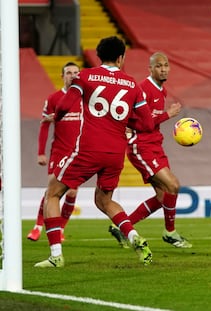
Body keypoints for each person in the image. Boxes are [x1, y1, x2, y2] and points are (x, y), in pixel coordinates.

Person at [34, 36, 155, 268]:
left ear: (99, 56)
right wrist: (126, 123)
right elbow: (147, 125)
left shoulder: (85, 76)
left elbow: (64, 105)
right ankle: (133, 237)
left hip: (88, 150)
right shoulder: (132, 84)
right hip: (115, 153)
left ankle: (56, 255)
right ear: (121, 58)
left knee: (53, 194)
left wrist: (56, 117)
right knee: (104, 200)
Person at [109, 52, 192, 248]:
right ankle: (170, 232)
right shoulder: (143, 89)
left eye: (166, 65)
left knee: (164, 197)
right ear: (150, 69)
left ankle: (121, 227)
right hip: (141, 146)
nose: (163, 69)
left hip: (155, 145)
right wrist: (167, 115)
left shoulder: (161, 91)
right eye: (159, 66)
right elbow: (142, 123)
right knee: (173, 185)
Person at [27, 62, 80, 242]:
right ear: (62, 76)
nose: (72, 75)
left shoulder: (84, 98)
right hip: (59, 151)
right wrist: (41, 152)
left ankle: (61, 228)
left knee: (72, 193)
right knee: (52, 189)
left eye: (75, 73)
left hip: (78, 153)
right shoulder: (54, 98)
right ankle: (37, 226)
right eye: (69, 73)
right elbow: (44, 126)